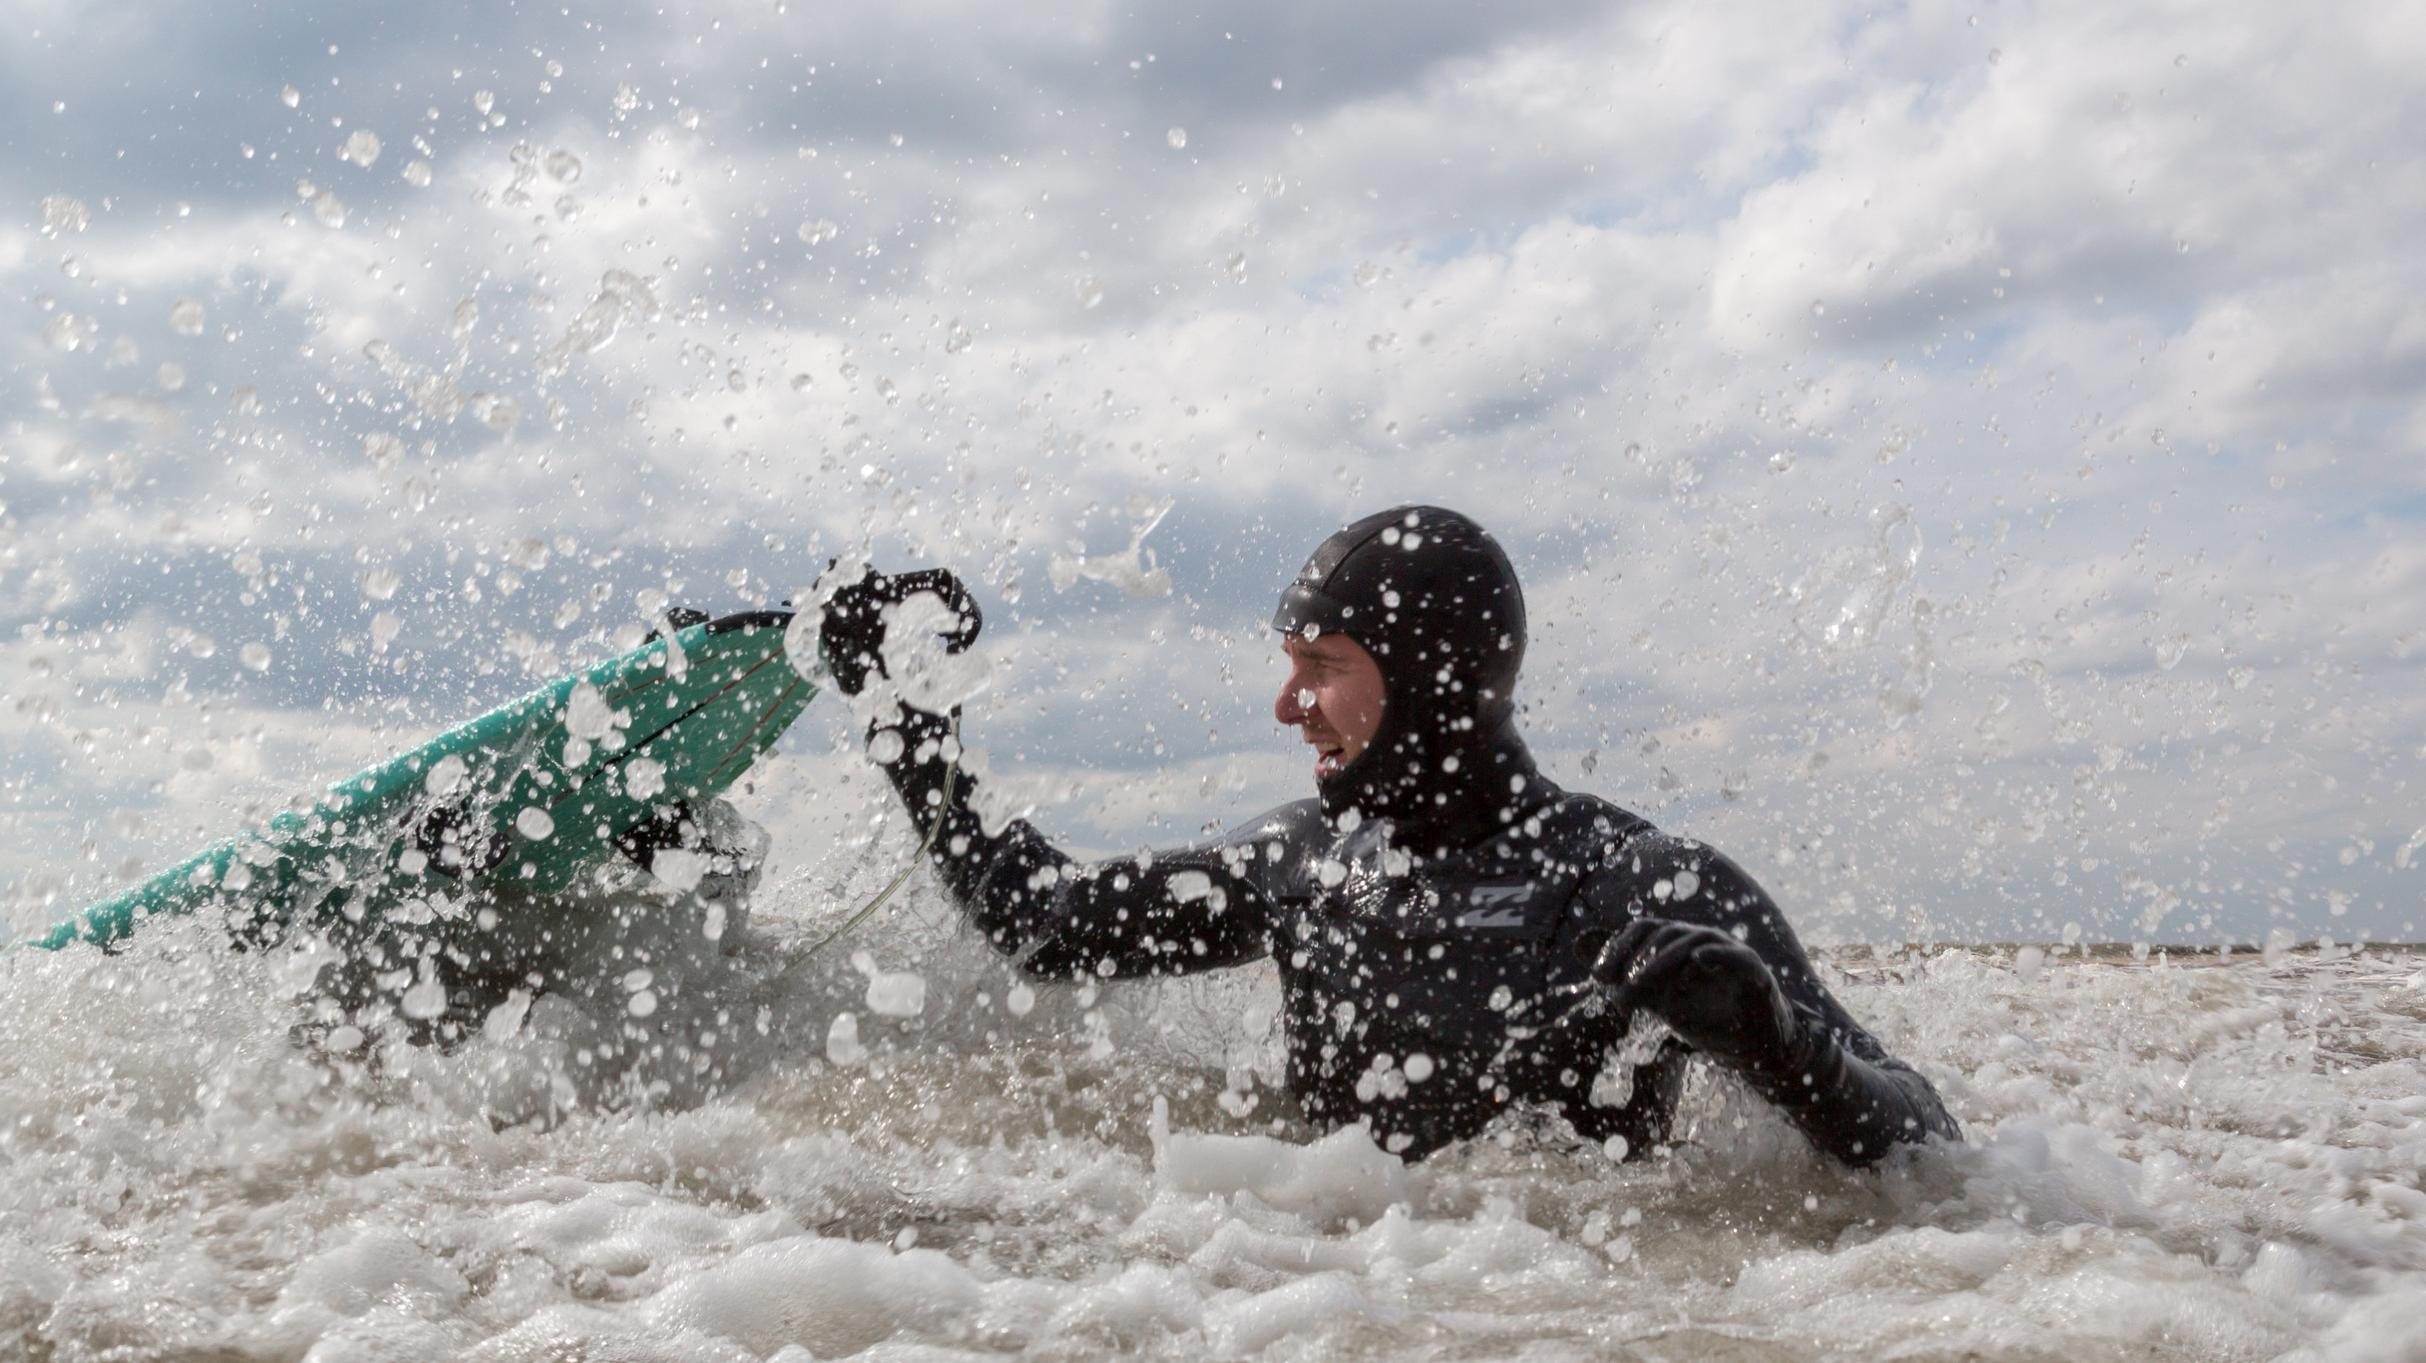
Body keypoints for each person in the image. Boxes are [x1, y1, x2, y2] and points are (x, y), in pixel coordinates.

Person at [815, 506, 1956, 1164]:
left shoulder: (1637, 884)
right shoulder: (1302, 865)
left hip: (1552, 1329)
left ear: (1433, 681)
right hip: (1336, 1310)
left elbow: (1928, 1145)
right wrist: (907, 725)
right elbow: (1045, 926)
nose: (1286, 704)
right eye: (1290, 666)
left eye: (1322, 668)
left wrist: (1780, 1049)